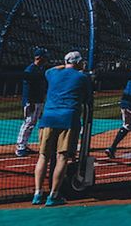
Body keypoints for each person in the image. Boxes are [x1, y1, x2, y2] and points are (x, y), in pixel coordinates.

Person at [33, 51, 91, 207]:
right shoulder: (82, 77)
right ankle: (54, 195)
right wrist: (78, 68)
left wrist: (65, 65)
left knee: (43, 156)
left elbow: (51, 70)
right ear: (78, 62)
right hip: (68, 119)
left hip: (48, 118)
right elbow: (86, 98)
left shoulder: (52, 73)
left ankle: (37, 193)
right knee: (62, 157)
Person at [17, 47, 49, 157]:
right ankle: (20, 147)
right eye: (44, 57)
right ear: (38, 58)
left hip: (39, 101)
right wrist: (29, 102)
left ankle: (25, 146)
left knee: (35, 123)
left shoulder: (40, 69)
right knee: (28, 123)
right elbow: (27, 88)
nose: (46, 59)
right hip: (32, 101)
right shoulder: (30, 69)